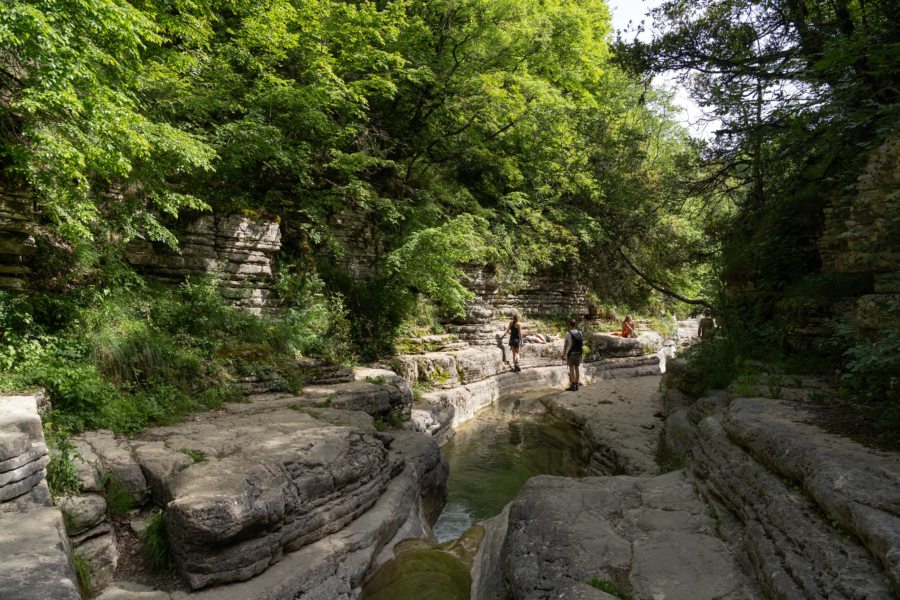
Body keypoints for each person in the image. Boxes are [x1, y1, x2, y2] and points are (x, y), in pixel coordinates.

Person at [561, 319, 583, 391]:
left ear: (570, 325)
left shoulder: (568, 333)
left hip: (571, 354)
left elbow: (565, 345)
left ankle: (573, 385)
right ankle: (577, 384)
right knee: (577, 368)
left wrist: (563, 355)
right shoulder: (580, 332)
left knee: (571, 368)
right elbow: (581, 344)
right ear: (575, 324)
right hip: (578, 353)